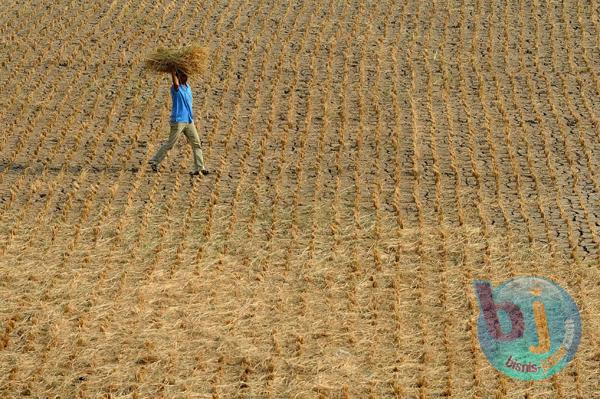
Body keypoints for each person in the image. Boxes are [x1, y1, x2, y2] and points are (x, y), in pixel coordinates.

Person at [149, 68, 209, 176]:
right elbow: (176, 83)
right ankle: (154, 161)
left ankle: (199, 167)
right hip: (178, 121)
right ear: (178, 77)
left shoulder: (188, 87)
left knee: (196, 143)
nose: (185, 77)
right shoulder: (175, 88)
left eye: (185, 75)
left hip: (189, 121)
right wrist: (172, 71)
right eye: (182, 75)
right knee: (170, 144)